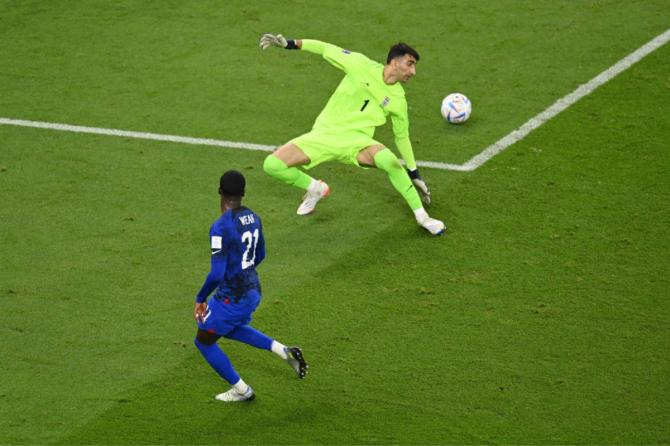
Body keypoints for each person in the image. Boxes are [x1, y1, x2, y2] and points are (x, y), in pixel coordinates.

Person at [259, 33, 446, 235]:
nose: (414, 71)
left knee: (389, 160)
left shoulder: (398, 99)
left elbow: (402, 137)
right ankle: (315, 188)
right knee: (272, 165)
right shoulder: (360, 64)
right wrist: (289, 44)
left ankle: (423, 217)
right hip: (324, 135)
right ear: (394, 62)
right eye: (410, 64)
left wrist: (414, 172)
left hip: (357, 143)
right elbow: (325, 48)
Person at [193, 170, 308, 402]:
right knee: (225, 327)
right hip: (253, 289)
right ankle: (283, 351)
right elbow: (261, 254)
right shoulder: (254, 217)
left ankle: (242, 391)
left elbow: (216, 274)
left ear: (220, 191)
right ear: (243, 193)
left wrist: (200, 297)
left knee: (204, 341)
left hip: (231, 297)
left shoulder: (220, 227)